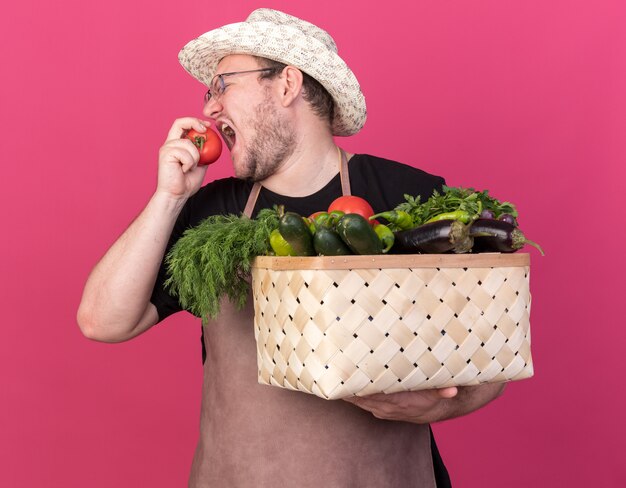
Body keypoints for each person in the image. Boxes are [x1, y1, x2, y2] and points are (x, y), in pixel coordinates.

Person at [77, 8, 505, 487]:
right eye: (208, 93)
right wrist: (169, 198)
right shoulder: (210, 214)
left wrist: (444, 403)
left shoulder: (408, 198)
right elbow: (103, 321)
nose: (210, 109)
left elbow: (490, 361)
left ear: (286, 84)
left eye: (223, 85)